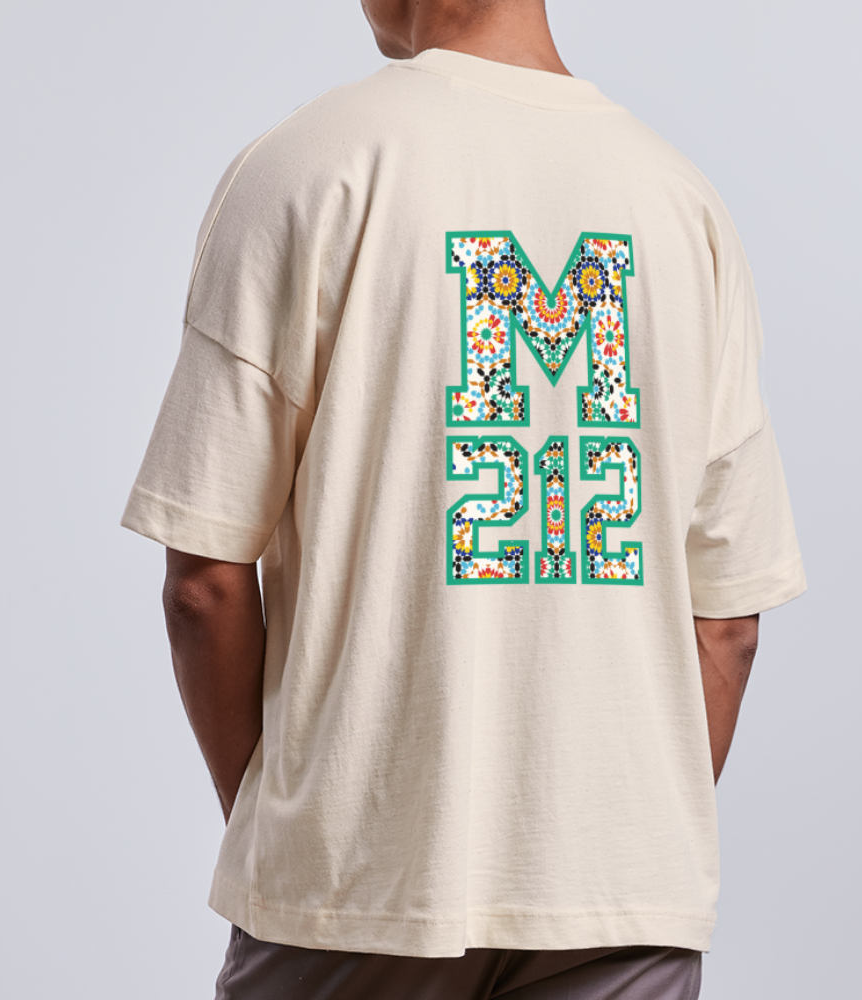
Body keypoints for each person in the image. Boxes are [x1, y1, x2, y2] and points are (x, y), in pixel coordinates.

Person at [122, 1, 807, 996]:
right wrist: (616, 847)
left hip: (356, 886)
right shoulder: (681, 204)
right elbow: (728, 622)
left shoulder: (306, 168)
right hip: (622, 900)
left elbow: (204, 582)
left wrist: (290, 830)